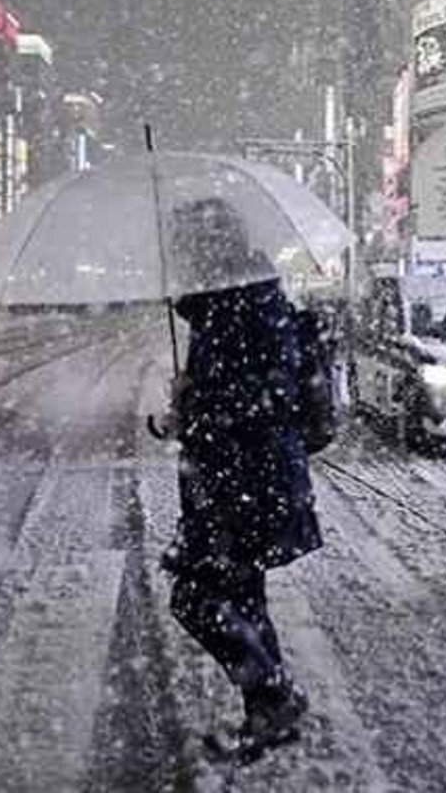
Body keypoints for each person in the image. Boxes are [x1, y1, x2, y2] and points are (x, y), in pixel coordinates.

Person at [160, 198, 322, 758]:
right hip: (236, 480)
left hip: (247, 484)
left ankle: (273, 696)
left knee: (197, 597)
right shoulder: (228, 305)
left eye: (184, 245)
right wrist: (185, 410)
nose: (177, 256)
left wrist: (198, 402)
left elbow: (263, 399)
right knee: (242, 597)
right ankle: (267, 712)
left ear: (209, 248)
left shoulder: (244, 305)